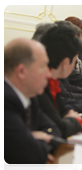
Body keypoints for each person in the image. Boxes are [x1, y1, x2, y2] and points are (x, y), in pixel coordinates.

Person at [4, 38, 62, 169]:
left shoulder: (29, 96)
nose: (49, 73)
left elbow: (54, 129)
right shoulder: (5, 101)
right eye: (43, 66)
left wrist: (32, 141)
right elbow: (33, 158)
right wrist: (34, 143)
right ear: (21, 71)